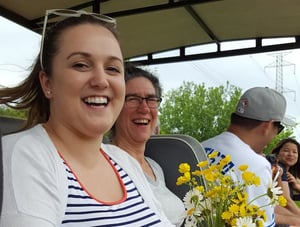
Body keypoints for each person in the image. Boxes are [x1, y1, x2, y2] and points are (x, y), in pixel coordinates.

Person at [0, 9, 174, 227]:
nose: (101, 81)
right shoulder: (26, 153)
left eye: (112, 68)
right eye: (80, 65)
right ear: (47, 83)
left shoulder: (124, 162)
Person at [201, 87, 300, 227]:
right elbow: (261, 222)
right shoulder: (256, 165)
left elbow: (261, 208)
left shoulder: (201, 146)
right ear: (268, 126)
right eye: (279, 129)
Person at [109, 63, 185, 226]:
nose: (144, 108)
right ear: (115, 106)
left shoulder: (155, 167)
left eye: (151, 99)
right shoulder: (107, 165)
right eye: (133, 99)